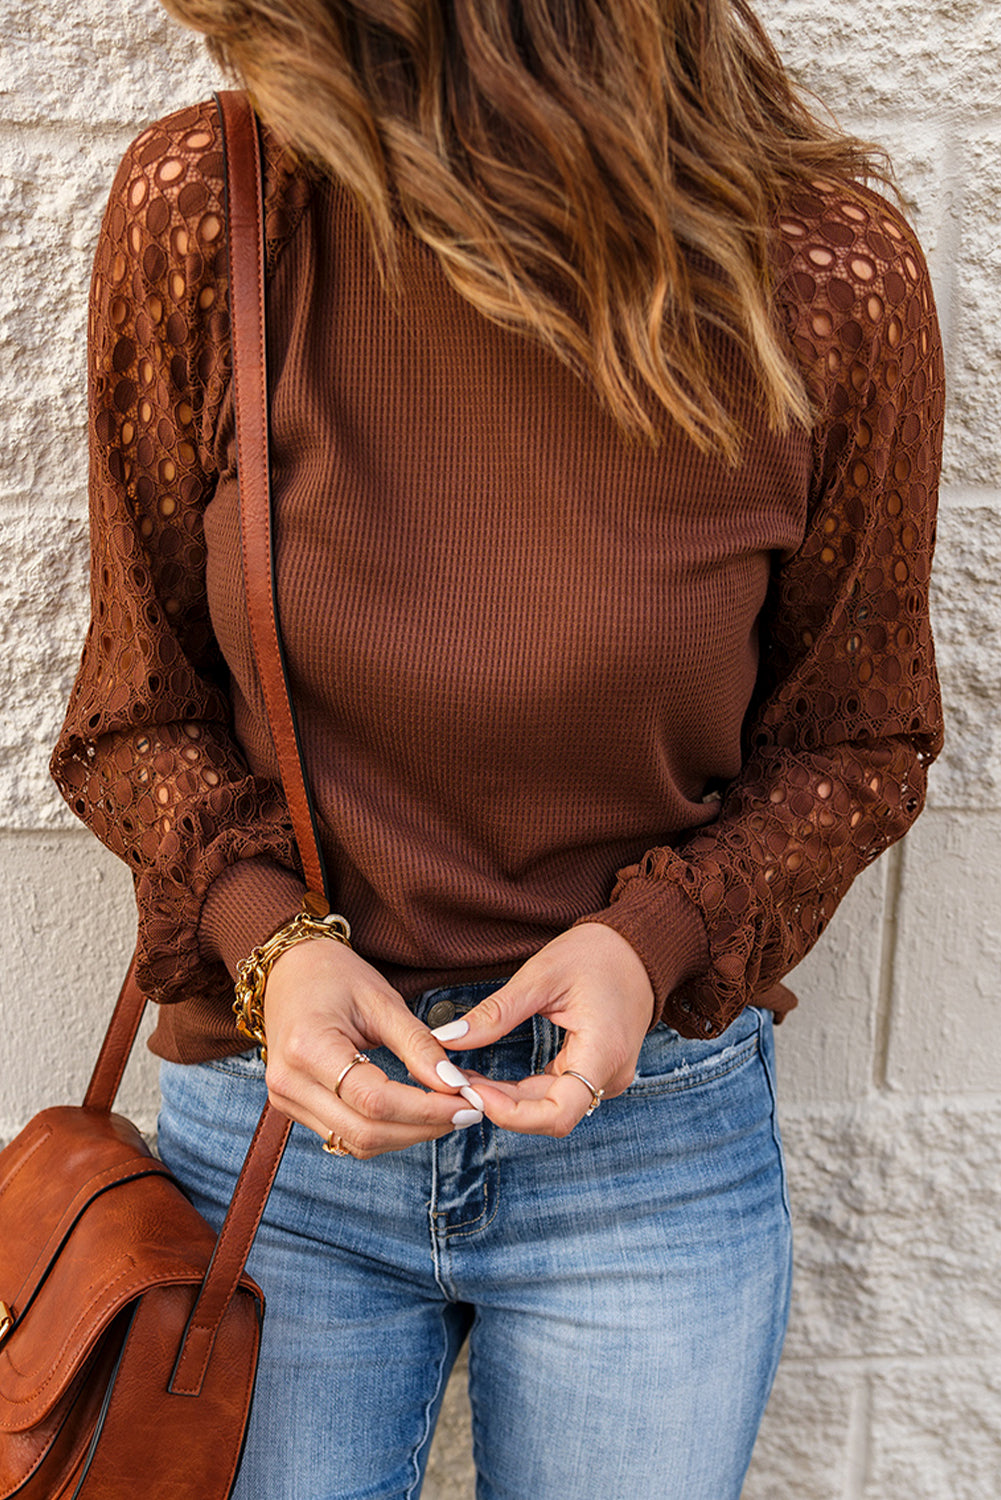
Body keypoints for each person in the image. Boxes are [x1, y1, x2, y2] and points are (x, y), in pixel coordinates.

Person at [51, 1, 944, 1495]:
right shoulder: (213, 210)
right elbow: (132, 702)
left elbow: (858, 735)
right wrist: (271, 946)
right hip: (285, 1137)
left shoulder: (817, 269)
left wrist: (648, 942)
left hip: (646, 1142)